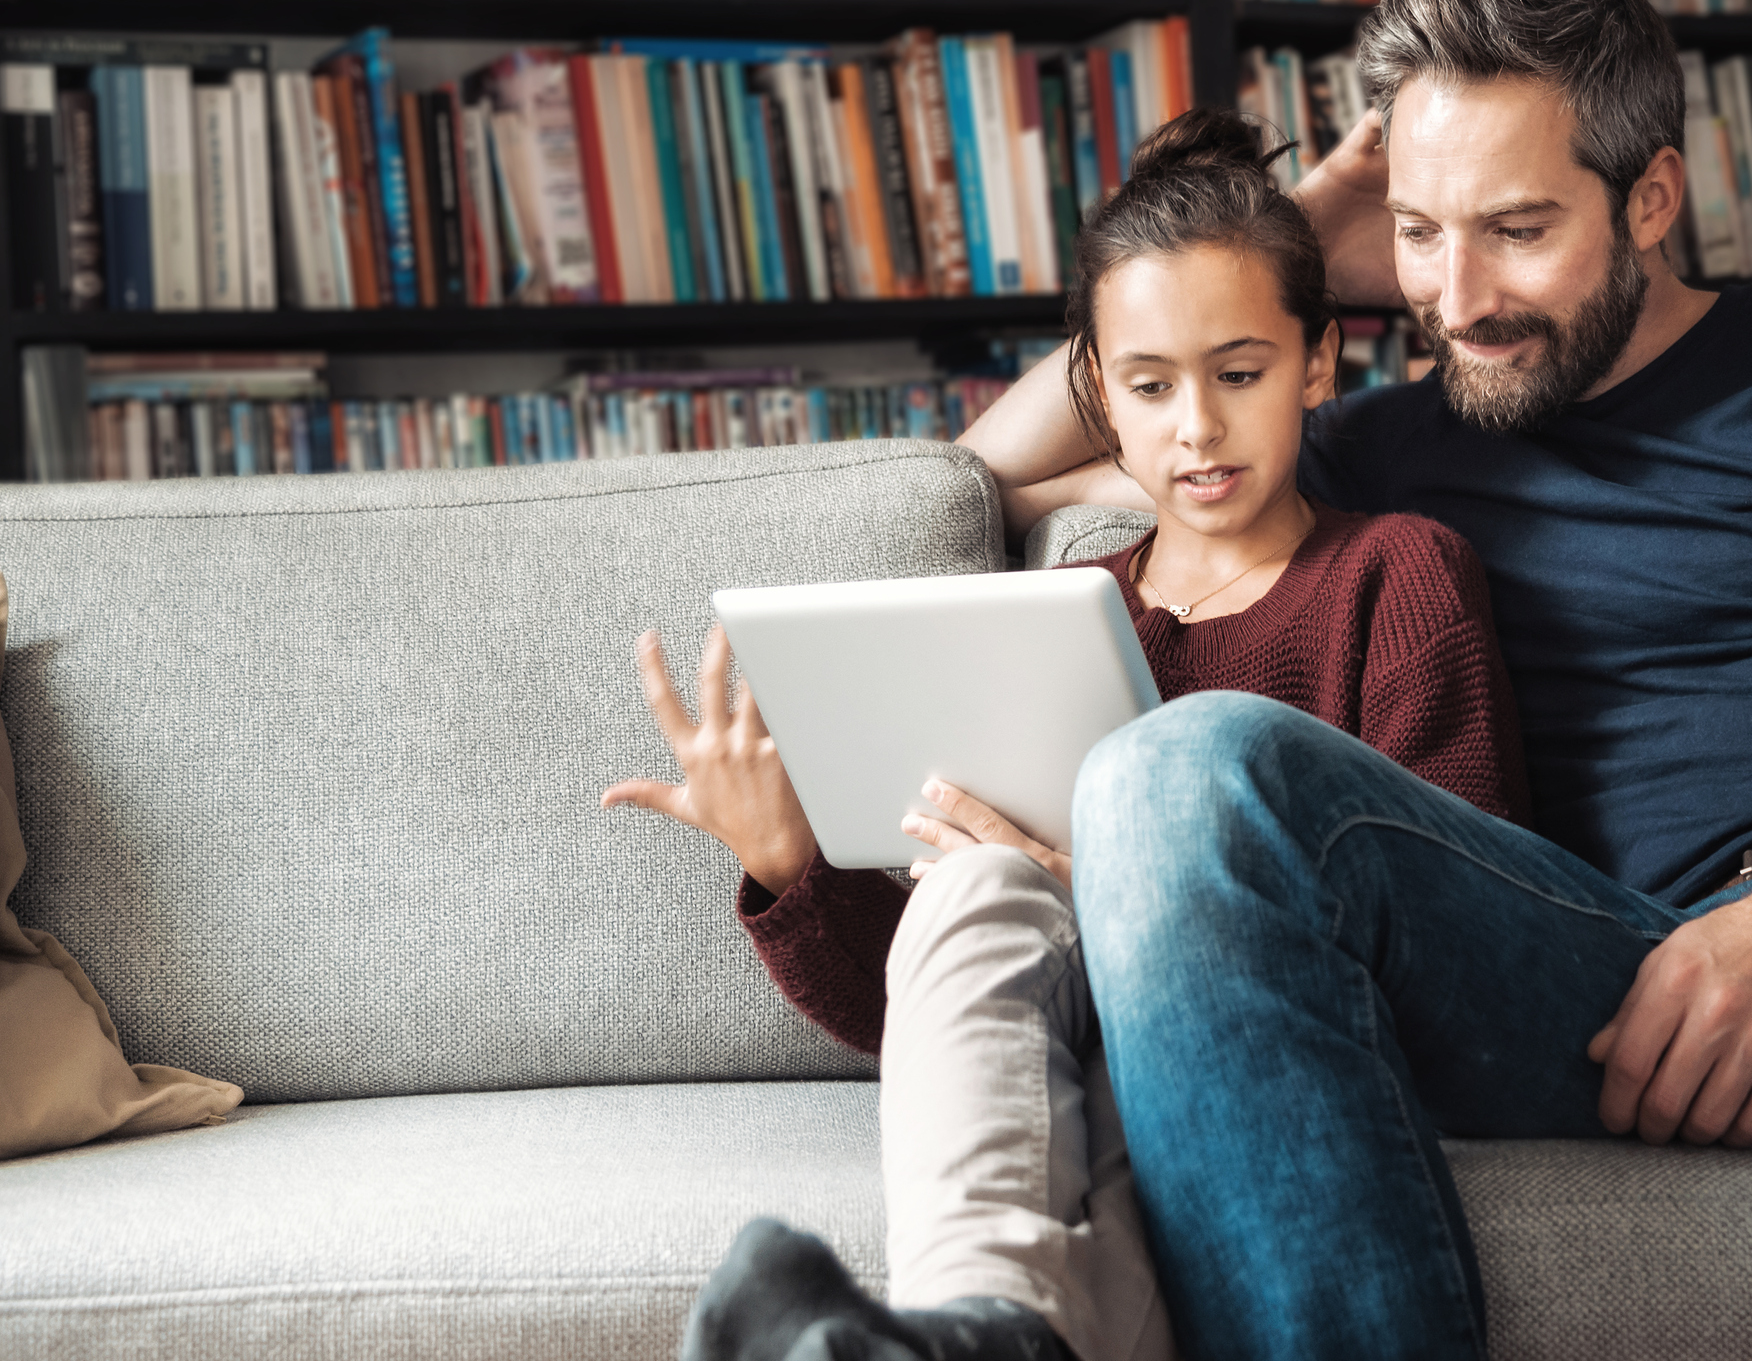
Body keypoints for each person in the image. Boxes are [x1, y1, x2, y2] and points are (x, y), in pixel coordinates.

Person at [962, 0, 1752, 1360]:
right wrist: (1278, 236)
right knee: (1172, 773)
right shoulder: (1365, 445)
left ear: (1648, 195)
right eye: (1416, 233)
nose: (1456, 296)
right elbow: (983, 476)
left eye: (1513, 227)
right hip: (1592, 965)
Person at [600, 111, 1534, 1361]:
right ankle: (982, 1328)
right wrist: (789, 862)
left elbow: (1463, 920)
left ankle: (976, 1336)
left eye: (1240, 372)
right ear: (1097, 394)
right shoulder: (1052, 628)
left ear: (1319, 364)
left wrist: (1132, 901)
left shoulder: (1396, 573)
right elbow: (932, 1024)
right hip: (1072, 1060)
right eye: (1149, 386)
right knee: (976, 879)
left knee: (1067, 932)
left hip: (1273, 1051)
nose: (1195, 425)